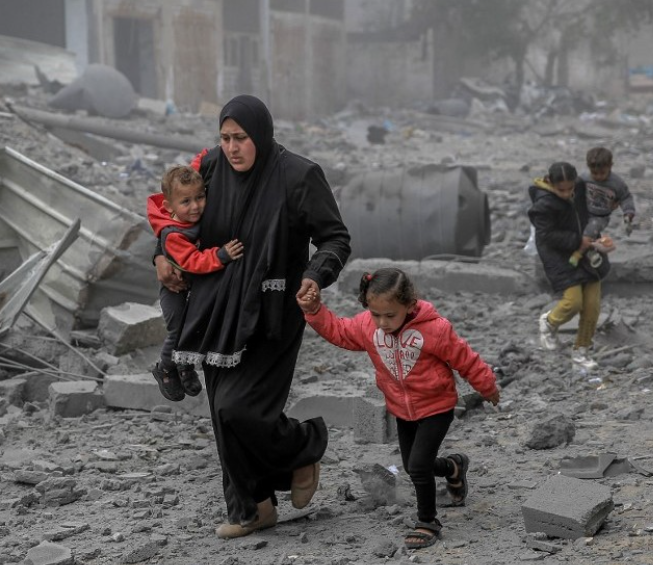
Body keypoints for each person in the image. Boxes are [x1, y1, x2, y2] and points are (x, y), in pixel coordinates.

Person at [154, 95, 351, 538]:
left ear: (259, 134)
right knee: (222, 415)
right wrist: (160, 256)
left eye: (240, 138)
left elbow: (335, 238)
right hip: (212, 311)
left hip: (272, 312)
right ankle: (254, 508)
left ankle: (303, 447)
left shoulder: (298, 175)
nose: (231, 148)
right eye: (224, 138)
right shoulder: (209, 171)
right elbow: (175, 217)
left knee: (238, 407)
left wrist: (316, 276)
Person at [296, 268, 500, 550]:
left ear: (409, 304)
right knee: (413, 465)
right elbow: (340, 331)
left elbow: (465, 359)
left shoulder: (435, 329)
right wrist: (315, 310)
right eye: (375, 314)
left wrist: (487, 386)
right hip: (401, 410)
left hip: (436, 406)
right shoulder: (368, 327)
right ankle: (454, 466)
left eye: (390, 315)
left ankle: (428, 521)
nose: (382, 322)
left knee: (417, 466)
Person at [146, 165, 244, 401]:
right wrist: (221, 256)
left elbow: (202, 161)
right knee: (179, 330)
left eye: (200, 197)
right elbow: (193, 261)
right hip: (175, 288)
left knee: (194, 326)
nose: (196, 206)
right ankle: (166, 368)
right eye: (186, 202)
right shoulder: (173, 234)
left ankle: (185, 366)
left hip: (193, 284)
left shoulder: (193, 218)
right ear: (169, 207)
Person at [529, 162, 610, 370]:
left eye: (569, 188)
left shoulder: (582, 188)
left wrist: (596, 239)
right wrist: (577, 241)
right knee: (573, 302)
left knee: (592, 306)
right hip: (558, 255)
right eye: (561, 190)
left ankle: (581, 352)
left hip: (586, 251)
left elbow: (593, 214)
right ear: (550, 183)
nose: (566, 194)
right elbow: (546, 236)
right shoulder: (543, 205)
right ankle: (549, 322)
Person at [570, 146, 636, 268]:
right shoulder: (584, 178)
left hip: (600, 216)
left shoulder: (616, 183)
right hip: (584, 211)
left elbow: (626, 197)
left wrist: (628, 212)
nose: (598, 177)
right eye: (595, 173)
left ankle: (582, 254)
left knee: (589, 232)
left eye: (602, 173)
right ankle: (590, 251)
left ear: (610, 166)